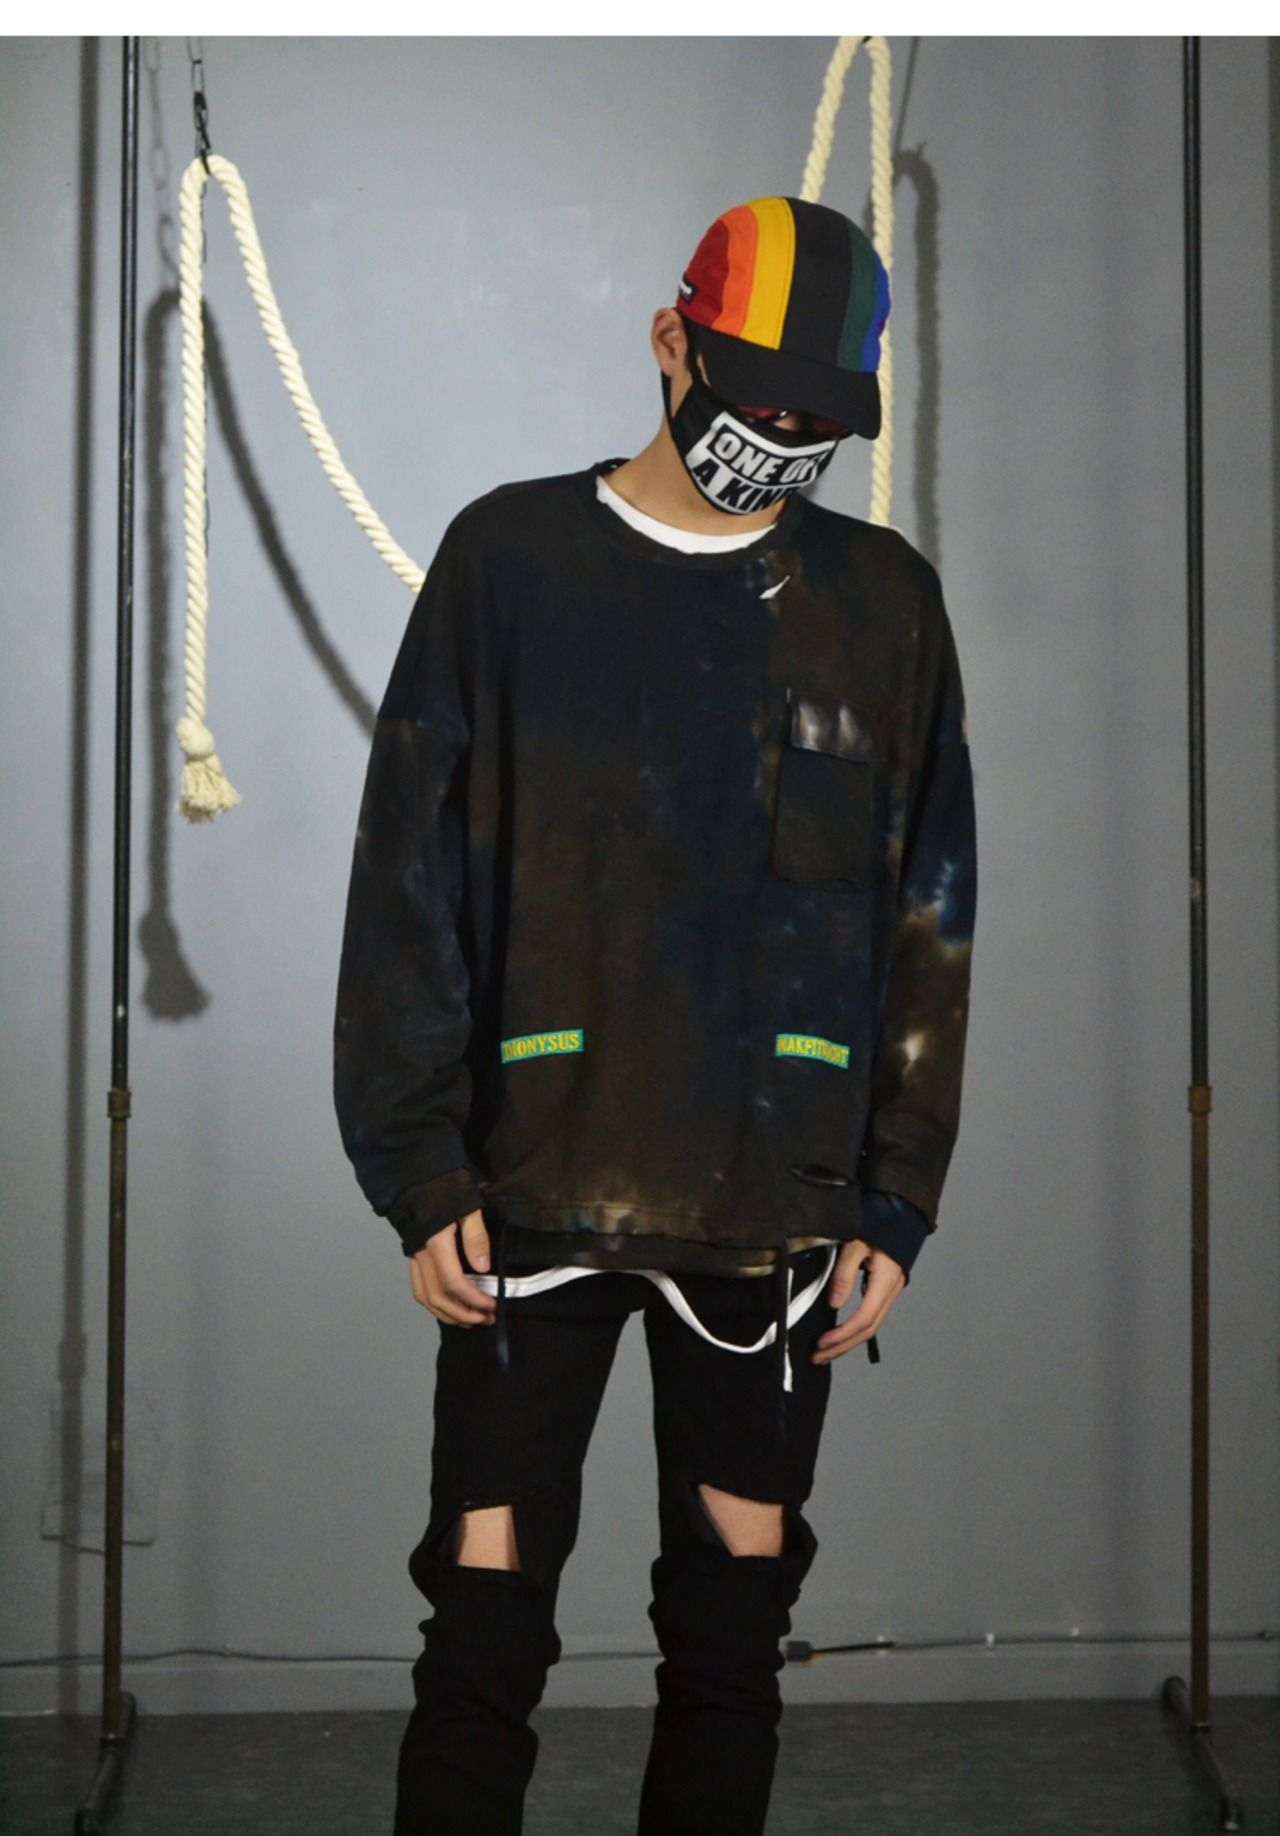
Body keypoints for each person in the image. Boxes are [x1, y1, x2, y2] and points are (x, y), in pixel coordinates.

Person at [334, 194, 977, 1836]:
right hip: (527, 1187)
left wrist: (897, 1192)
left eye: (819, 420)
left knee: (733, 1630)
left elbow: (930, 915)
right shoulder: (511, 564)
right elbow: (407, 878)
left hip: (776, 1205)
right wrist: (418, 1163)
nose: (782, 441)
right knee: (483, 1621)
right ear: (671, 341)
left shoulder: (883, 605)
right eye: (757, 398)